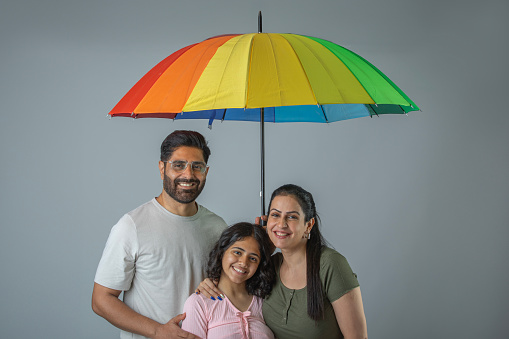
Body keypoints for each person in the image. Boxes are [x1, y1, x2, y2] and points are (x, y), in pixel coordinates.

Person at [92, 130, 228, 339]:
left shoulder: (217, 227)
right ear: (162, 167)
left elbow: (233, 285)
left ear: (206, 171)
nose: (188, 175)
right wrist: (158, 331)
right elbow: (101, 300)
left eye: (197, 167)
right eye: (178, 165)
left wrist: (263, 241)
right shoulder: (132, 226)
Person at [198, 184, 368, 339]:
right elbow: (236, 276)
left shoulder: (330, 264)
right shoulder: (270, 266)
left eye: (292, 217)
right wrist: (210, 283)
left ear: (309, 225)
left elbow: (357, 337)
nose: (281, 224)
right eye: (275, 215)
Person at [181, 222, 275, 339]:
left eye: (252, 258)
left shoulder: (264, 302)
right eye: (237, 252)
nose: (243, 263)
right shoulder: (199, 303)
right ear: (221, 253)